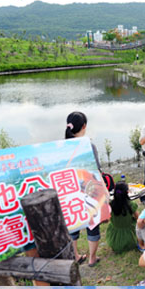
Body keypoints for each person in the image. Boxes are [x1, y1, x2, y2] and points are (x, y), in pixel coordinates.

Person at [64, 111, 104, 267]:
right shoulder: (88, 145)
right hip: (88, 189)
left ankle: (75, 255)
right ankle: (92, 259)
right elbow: (96, 170)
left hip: (70, 191)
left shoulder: (62, 146)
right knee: (92, 223)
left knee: (74, 224)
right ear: (84, 126)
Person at [105, 181, 139, 253]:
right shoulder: (131, 204)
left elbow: (107, 218)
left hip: (114, 238)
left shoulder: (111, 204)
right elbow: (138, 218)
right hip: (130, 238)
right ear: (127, 192)